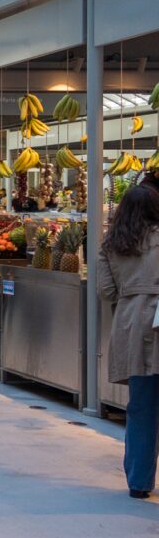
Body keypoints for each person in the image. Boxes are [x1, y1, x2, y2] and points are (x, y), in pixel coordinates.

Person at [96, 184, 159, 500]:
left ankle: (139, 482)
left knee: (141, 407)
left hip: (131, 326)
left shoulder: (110, 245)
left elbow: (105, 291)